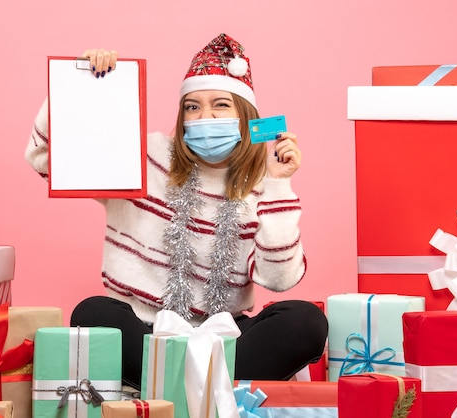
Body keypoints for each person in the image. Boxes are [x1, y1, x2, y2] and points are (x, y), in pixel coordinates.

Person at [25, 33, 328, 389]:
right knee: (93, 313)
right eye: (192, 107)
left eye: (220, 105)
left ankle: (171, 384)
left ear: (246, 118)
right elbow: (47, 159)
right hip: (144, 332)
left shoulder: (260, 185)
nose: (204, 117)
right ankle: (204, 389)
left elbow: (280, 279)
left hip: (224, 336)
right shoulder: (146, 156)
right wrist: (83, 84)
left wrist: (278, 183)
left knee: (306, 320)